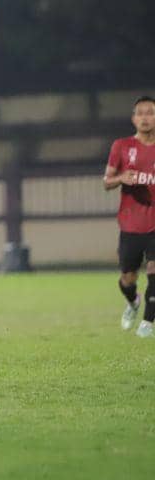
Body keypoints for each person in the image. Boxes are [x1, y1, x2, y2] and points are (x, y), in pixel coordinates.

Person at [104, 96, 155, 338]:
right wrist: (121, 178)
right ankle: (133, 302)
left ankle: (148, 322)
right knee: (128, 278)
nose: (145, 117)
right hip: (131, 223)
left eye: (151, 112)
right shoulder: (122, 146)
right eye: (141, 113)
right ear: (134, 118)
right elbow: (106, 182)